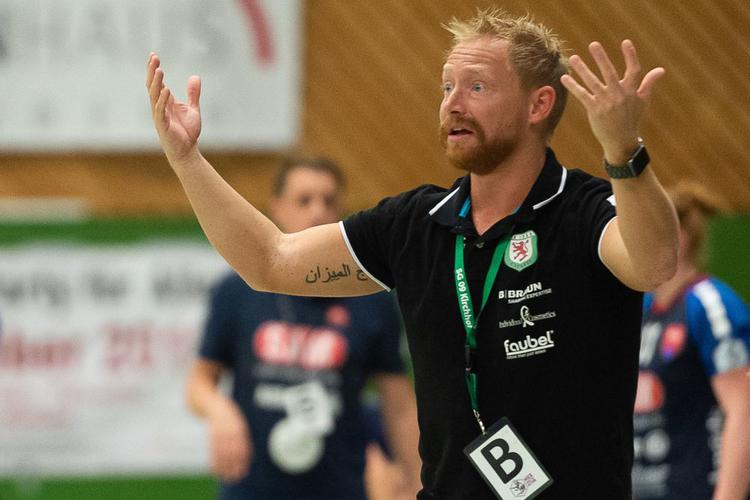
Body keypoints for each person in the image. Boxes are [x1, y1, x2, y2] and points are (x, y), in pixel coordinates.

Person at [146, 7, 679, 498]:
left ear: (538, 104)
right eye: (447, 86)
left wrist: (623, 151)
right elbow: (270, 262)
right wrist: (187, 160)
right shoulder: (416, 224)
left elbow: (654, 263)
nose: (452, 103)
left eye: (477, 86)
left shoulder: (585, 210)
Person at [185, 156, 421, 500]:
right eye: (304, 200)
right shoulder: (236, 292)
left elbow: (397, 404)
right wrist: (220, 412)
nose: (318, 211)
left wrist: (415, 478)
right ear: (277, 208)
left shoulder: (369, 296)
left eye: (329, 201)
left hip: (340, 485)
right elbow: (199, 382)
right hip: (252, 485)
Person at [632, 182, 750, 500]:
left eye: (641, 229)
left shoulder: (709, 305)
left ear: (678, 239)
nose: (631, 240)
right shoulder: (642, 309)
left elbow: (744, 410)